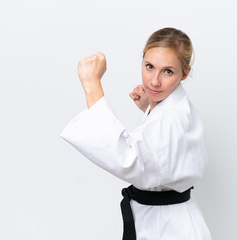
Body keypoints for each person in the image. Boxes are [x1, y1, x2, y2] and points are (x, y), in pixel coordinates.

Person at [60, 27, 212, 240]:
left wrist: (92, 84)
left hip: (168, 228)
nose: (154, 81)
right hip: (168, 221)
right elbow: (165, 149)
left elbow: (128, 158)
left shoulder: (170, 119)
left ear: (184, 73)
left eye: (168, 71)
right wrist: (152, 108)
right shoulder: (173, 108)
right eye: (150, 67)